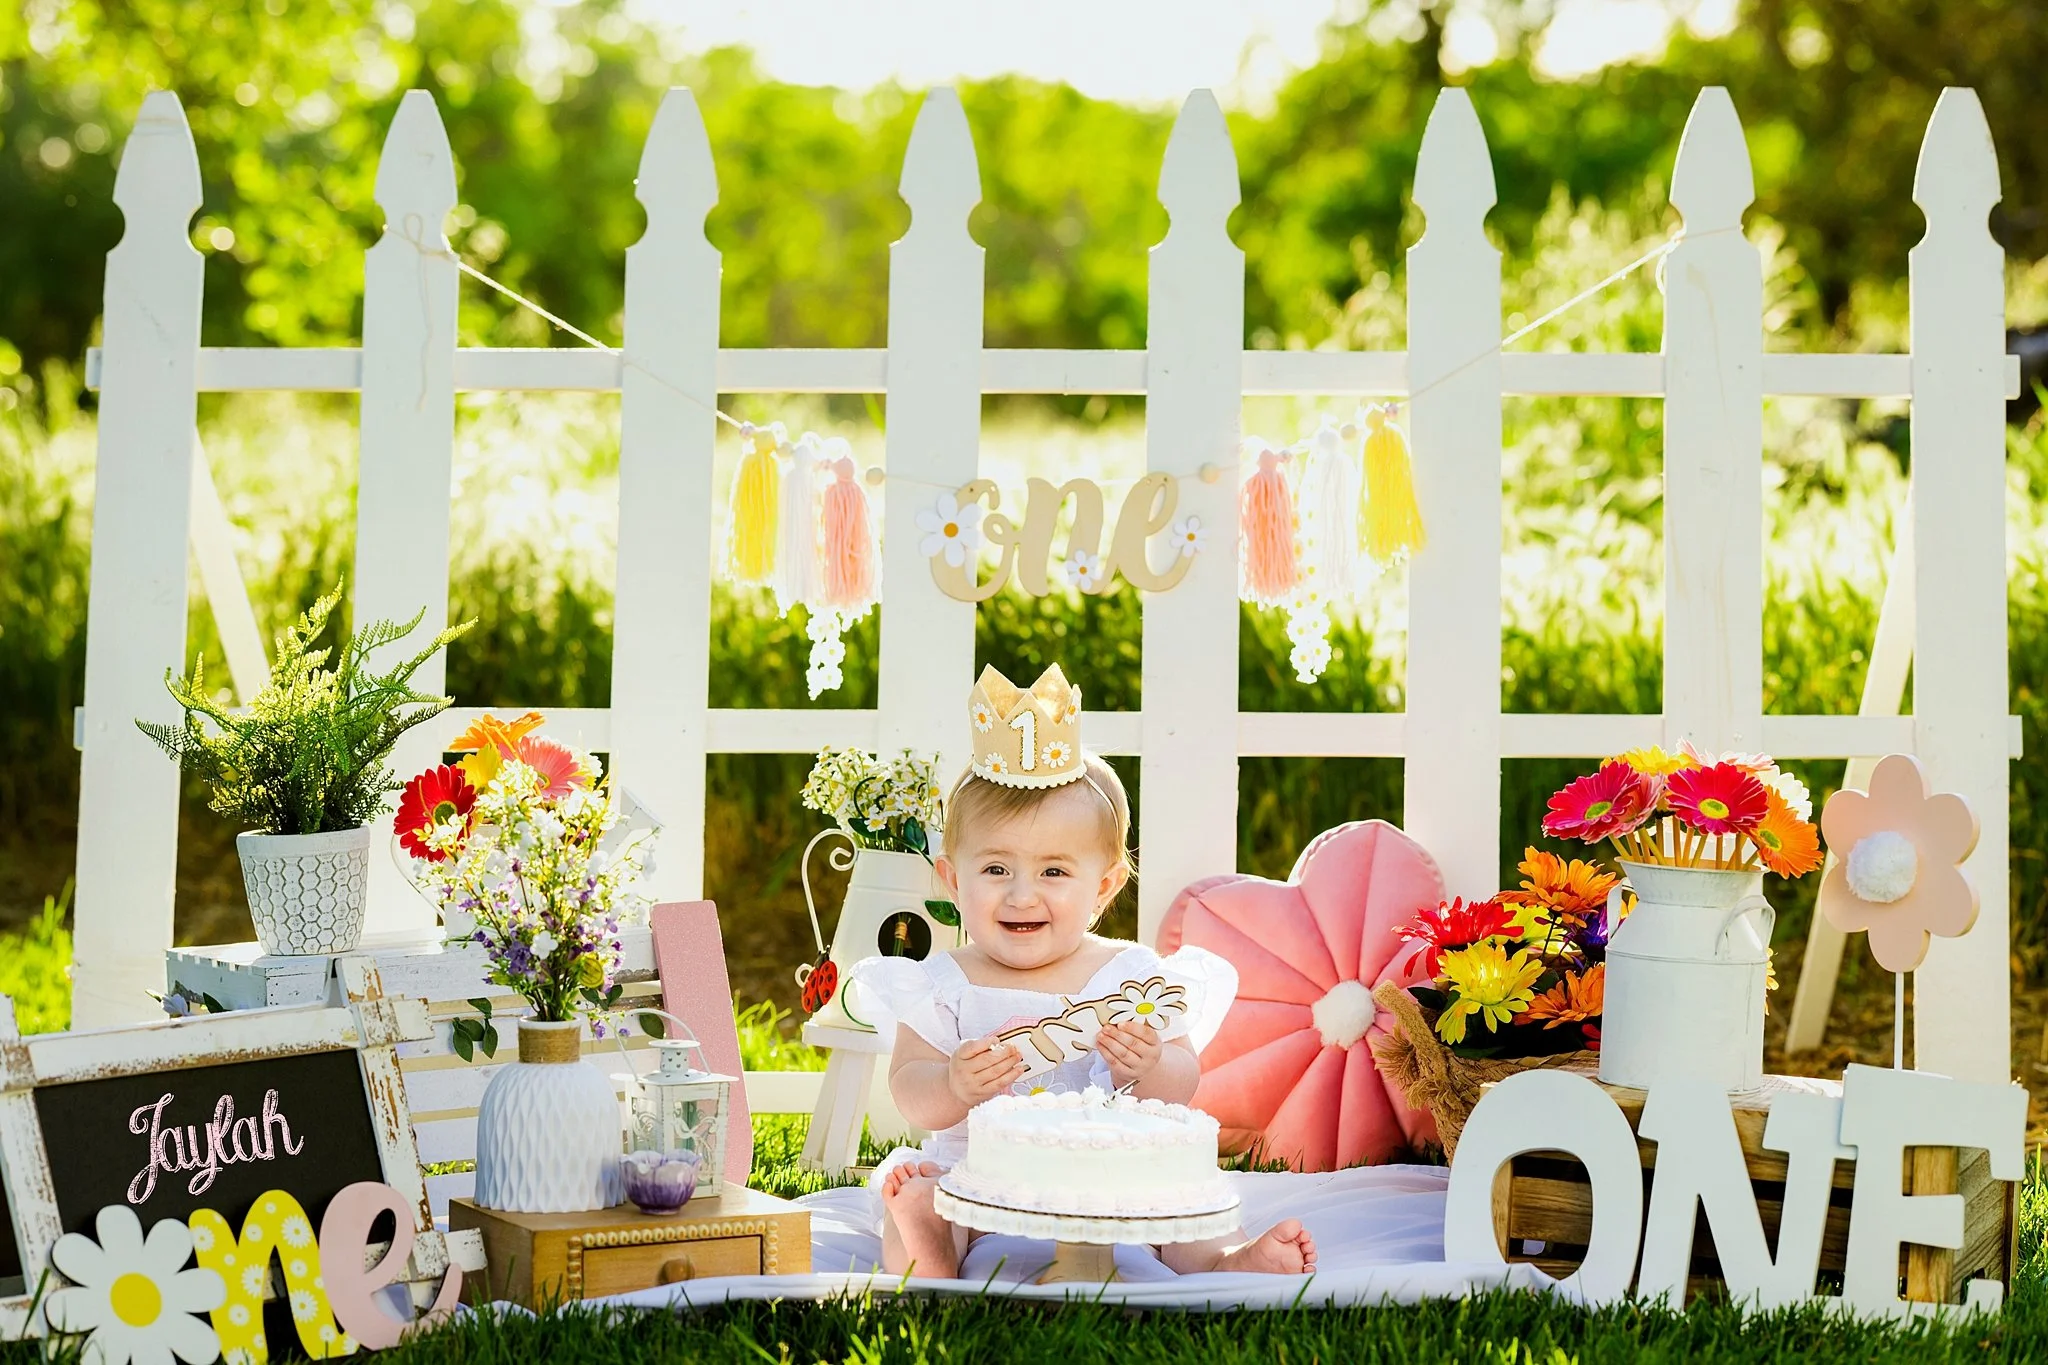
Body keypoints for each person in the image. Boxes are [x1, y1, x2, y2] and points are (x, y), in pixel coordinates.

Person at [853, 663, 1318, 1280]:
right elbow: (910, 1085)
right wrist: (953, 1085)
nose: (1022, 896)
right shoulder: (945, 981)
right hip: (981, 1177)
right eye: (995, 870)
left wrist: (1150, 1064)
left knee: (1177, 1197)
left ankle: (1227, 1259)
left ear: (1103, 887)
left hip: (1114, 1183)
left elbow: (1183, 1077)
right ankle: (931, 1246)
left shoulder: (1127, 976)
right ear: (952, 880)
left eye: (1053, 872)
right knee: (920, 1192)